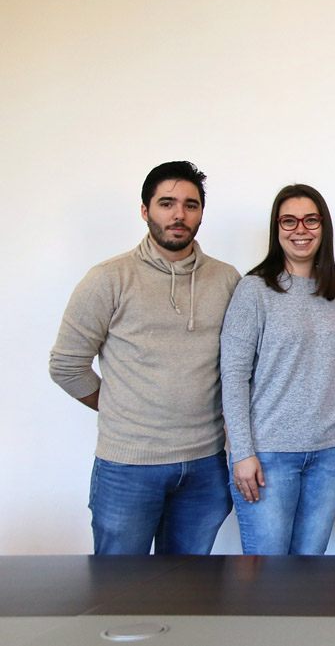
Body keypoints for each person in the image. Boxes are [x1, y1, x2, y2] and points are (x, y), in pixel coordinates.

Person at [49, 161, 241, 555]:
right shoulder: (109, 279)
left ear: (201, 213)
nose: (178, 215)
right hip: (128, 466)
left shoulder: (226, 279)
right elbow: (66, 365)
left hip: (206, 463)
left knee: (189, 593)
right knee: (120, 592)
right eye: (166, 203)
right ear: (145, 210)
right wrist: (120, 406)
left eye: (190, 205)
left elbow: (243, 361)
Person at [219, 184, 335, 555]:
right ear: (276, 229)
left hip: (329, 454)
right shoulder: (255, 290)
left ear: (323, 226)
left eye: (310, 220)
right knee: (267, 579)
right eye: (288, 221)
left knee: (308, 576)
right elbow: (233, 375)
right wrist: (242, 452)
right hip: (268, 455)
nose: (300, 229)